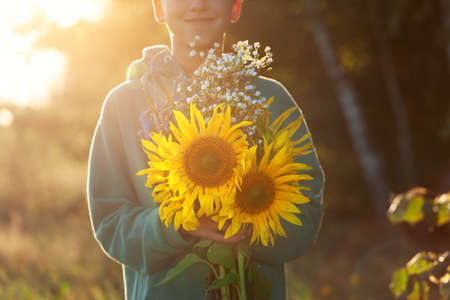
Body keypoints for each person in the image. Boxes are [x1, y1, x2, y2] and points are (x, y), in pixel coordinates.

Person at [87, 0, 325, 299]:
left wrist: (247, 219)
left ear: (236, 7)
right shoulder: (125, 105)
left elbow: (304, 219)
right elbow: (110, 223)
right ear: (158, 8)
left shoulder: (270, 99)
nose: (197, 4)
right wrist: (178, 225)